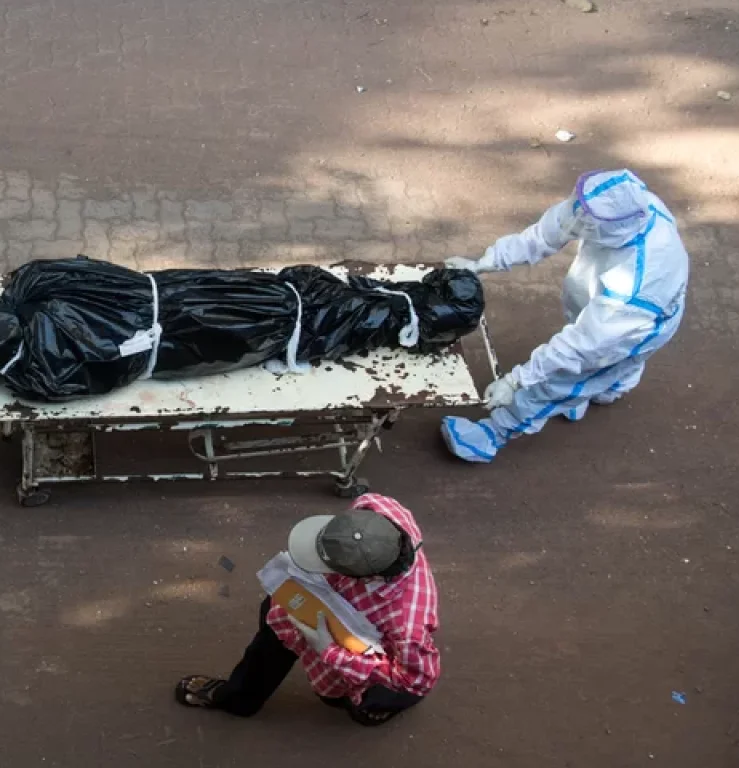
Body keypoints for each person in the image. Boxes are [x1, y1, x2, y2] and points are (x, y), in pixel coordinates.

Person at [441, 169, 689, 463]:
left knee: (562, 377)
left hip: (633, 326)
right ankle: (600, 388)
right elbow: (549, 231)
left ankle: (493, 434)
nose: (576, 220)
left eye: (585, 218)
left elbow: (583, 344)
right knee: (594, 362)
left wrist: (517, 380)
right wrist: (484, 264)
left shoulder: (640, 280)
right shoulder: (619, 211)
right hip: (608, 307)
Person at [174, 494, 439, 725]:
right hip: (331, 604)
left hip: (368, 648)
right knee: (274, 620)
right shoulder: (377, 505)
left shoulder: (407, 623)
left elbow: (415, 679)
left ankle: (372, 707)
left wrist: (330, 651)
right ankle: (239, 697)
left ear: (364, 578)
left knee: (359, 700)